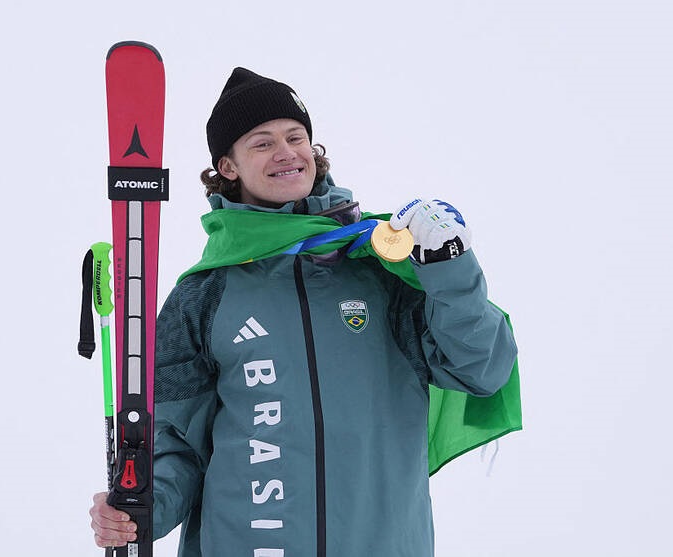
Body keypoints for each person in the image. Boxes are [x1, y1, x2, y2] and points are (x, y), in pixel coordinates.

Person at [90, 67, 518, 557]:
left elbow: (481, 368)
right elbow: (175, 443)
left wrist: (448, 265)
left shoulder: (381, 270)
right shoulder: (204, 293)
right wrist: (141, 508)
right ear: (227, 167)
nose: (287, 152)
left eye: (296, 137)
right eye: (262, 143)